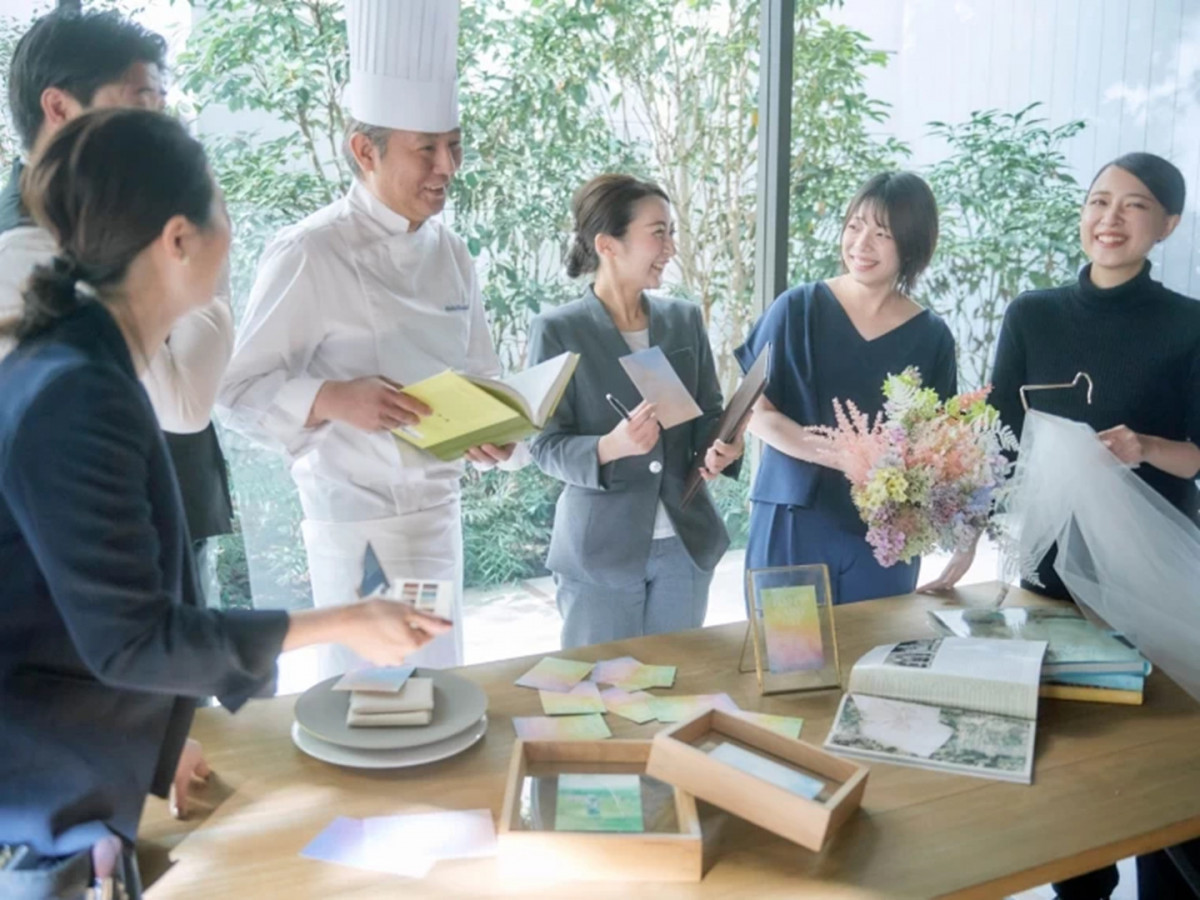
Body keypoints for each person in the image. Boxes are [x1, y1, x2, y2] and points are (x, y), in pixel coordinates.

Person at [0, 108, 450, 900]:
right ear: (178, 239)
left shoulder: (84, 365)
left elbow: (84, 608)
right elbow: (134, 637)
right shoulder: (76, 392)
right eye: (222, 208)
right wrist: (349, 619)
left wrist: (161, 739)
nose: (232, 235)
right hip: (50, 802)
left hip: (82, 774)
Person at [218, 0, 525, 678]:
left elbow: (481, 372)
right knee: (368, 709)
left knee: (440, 695)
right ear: (365, 150)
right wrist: (330, 397)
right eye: (426, 149)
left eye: (454, 145)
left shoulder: (453, 253)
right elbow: (235, 393)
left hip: (439, 521)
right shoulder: (309, 252)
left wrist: (495, 435)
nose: (447, 166)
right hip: (354, 527)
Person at [990, 151, 1200, 900]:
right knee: (1071, 795)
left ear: (1167, 225)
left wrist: (1143, 448)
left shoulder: (1188, 325)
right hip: (1049, 585)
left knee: (1159, 793)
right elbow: (996, 443)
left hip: (1150, 588)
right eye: (1098, 200)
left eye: (1134, 206)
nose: (1110, 219)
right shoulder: (1032, 315)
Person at [0, 8, 237, 602]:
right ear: (59, 108)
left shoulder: (134, 212)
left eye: (160, 102)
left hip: (171, 521)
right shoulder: (25, 249)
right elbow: (184, 401)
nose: (160, 123)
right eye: (141, 100)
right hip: (85, 565)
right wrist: (204, 238)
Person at [526, 174, 742, 648]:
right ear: (608, 244)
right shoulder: (558, 331)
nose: (670, 247)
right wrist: (609, 447)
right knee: (603, 695)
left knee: (680, 692)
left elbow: (709, 414)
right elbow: (542, 445)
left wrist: (726, 444)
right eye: (658, 232)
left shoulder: (683, 321)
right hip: (599, 552)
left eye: (671, 232)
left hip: (684, 546)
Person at [735, 171, 963, 605]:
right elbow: (755, 412)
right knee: (791, 662)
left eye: (882, 233)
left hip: (884, 533)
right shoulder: (796, 308)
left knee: (875, 662)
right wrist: (841, 454)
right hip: (792, 520)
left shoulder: (932, 336)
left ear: (911, 245)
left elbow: (939, 447)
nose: (861, 245)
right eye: (855, 226)